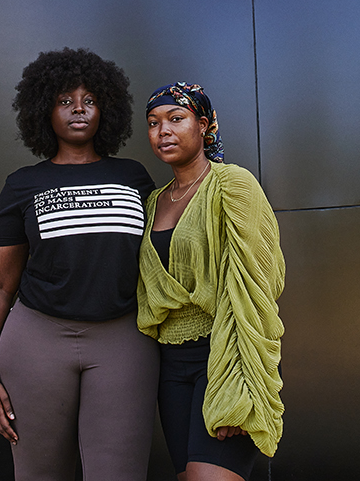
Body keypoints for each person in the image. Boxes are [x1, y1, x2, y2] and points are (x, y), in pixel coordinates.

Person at [0, 48, 159, 481]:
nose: (78, 108)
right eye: (64, 100)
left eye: (90, 99)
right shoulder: (23, 185)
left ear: (106, 110)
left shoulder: (134, 177)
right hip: (36, 341)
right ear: (43, 110)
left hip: (124, 341)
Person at [137, 82, 285, 481]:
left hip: (222, 357)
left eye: (176, 118)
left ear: (203, 125)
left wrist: (237, 383)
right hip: (170, 367)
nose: (163, 130)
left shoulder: (233, 185)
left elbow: (256, 285)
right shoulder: (153, 202)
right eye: (153, 123)